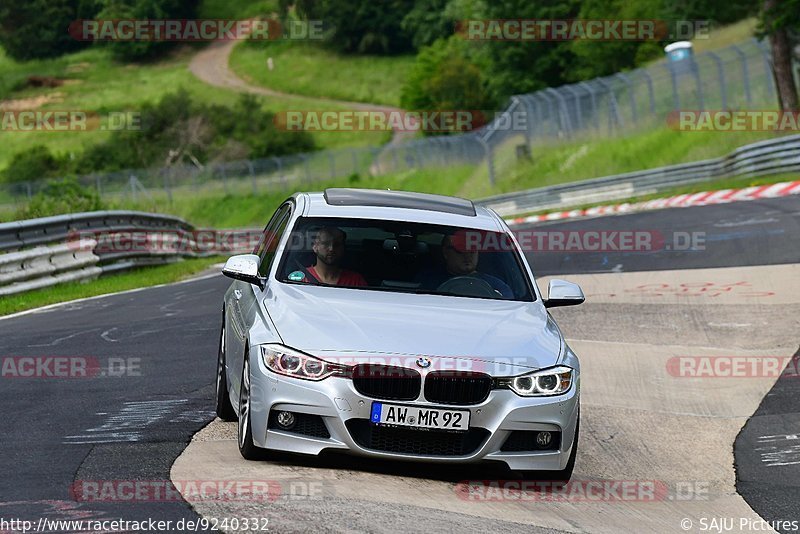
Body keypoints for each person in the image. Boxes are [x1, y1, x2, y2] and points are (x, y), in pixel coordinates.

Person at [417, 233, 513, 298]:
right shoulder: (428, 283)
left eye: (471, 251)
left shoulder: (497, 286)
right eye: (460, 251)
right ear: (445, 253)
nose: (467, 256)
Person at [298, 227, 367, 287]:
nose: (331, 248)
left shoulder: (356, 281)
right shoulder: (300, 278)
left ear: (343, 248)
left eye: (337, 244)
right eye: (326, 243)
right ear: (315, 247)